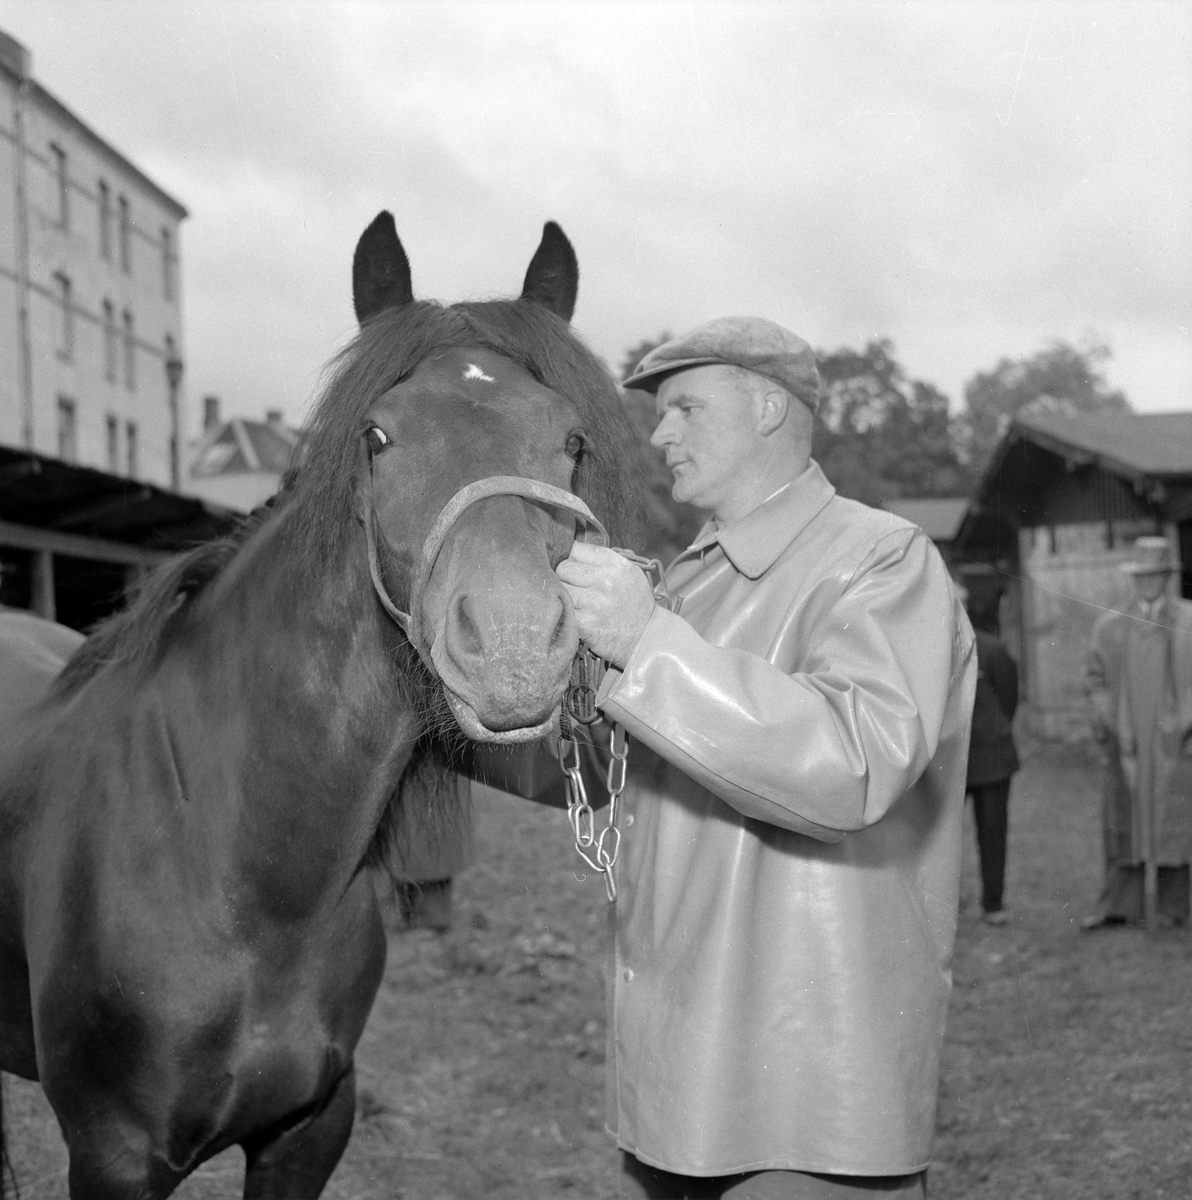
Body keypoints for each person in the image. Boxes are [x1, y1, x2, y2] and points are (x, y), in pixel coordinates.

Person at [554, 317, 976, 1200]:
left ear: (771, 406)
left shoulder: (881, 557)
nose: (661, 434)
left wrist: (643, 641)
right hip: (681, 1082)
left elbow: (855, 764)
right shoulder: (687, 583)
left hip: (808, 1102)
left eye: (685, 408)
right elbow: (635, 780)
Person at [1082, 536, 1192, 929]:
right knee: (1124, 820)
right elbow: (1094, 680)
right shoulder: (1109, 625)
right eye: (1142, 575)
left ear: (1167, 576)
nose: (1149, 583)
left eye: (1156, 574)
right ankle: (1120, 906)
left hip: (1175, 743)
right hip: (1126, 739)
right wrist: (1106, 719)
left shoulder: (1189, 623)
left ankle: (1176, 908)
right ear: (1134, 578)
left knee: (1177, 819)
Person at [962, 594, 1021, 926]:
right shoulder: (927, 654)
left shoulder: (991, 649)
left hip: (992, 760)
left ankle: (993, 904)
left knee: (993, 831)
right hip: (947, 765)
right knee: (938, 836)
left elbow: (1008, 700)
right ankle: (943, 903)